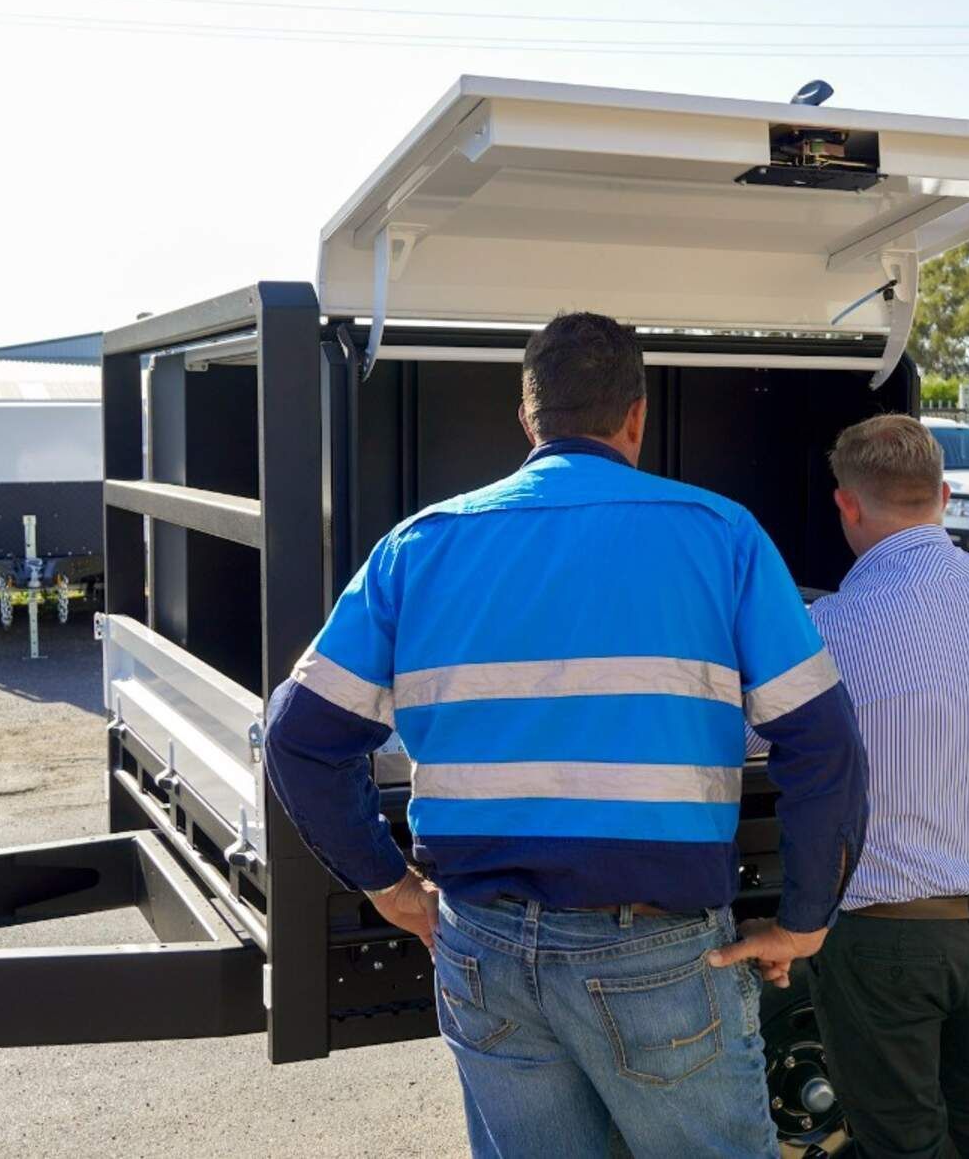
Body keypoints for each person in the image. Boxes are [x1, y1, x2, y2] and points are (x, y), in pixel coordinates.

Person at [261, 312, 868, 1159]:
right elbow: (824, 745)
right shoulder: (721, 535)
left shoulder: (421, 546)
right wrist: (806, 919)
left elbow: (297, 737)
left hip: (480, 945)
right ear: (636, 417)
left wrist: (388, 886)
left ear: (528, 420)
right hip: (655, 948)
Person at [774, 413, 969, 1158]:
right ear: (944, 495)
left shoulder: (831, 628)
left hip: (887, 936)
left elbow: (746, 733)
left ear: (847, 505)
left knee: (902, 1138)